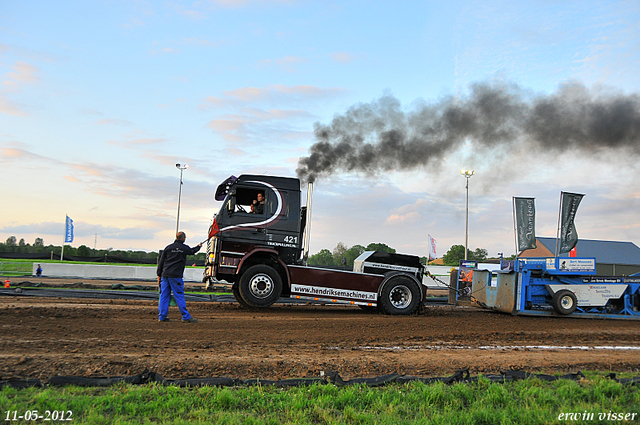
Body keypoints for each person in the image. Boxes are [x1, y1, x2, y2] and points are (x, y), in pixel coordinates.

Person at [157, 231, 202, 323]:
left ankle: (162, 317)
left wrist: (159, 275)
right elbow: (192, 251)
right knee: (179, 296)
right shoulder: (184, 248)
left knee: (164, 296)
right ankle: (185, 316)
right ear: (183, 238)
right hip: (176, 276)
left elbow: (161, 262)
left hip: (165, 275)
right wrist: (199, 246)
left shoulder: (168, 248)